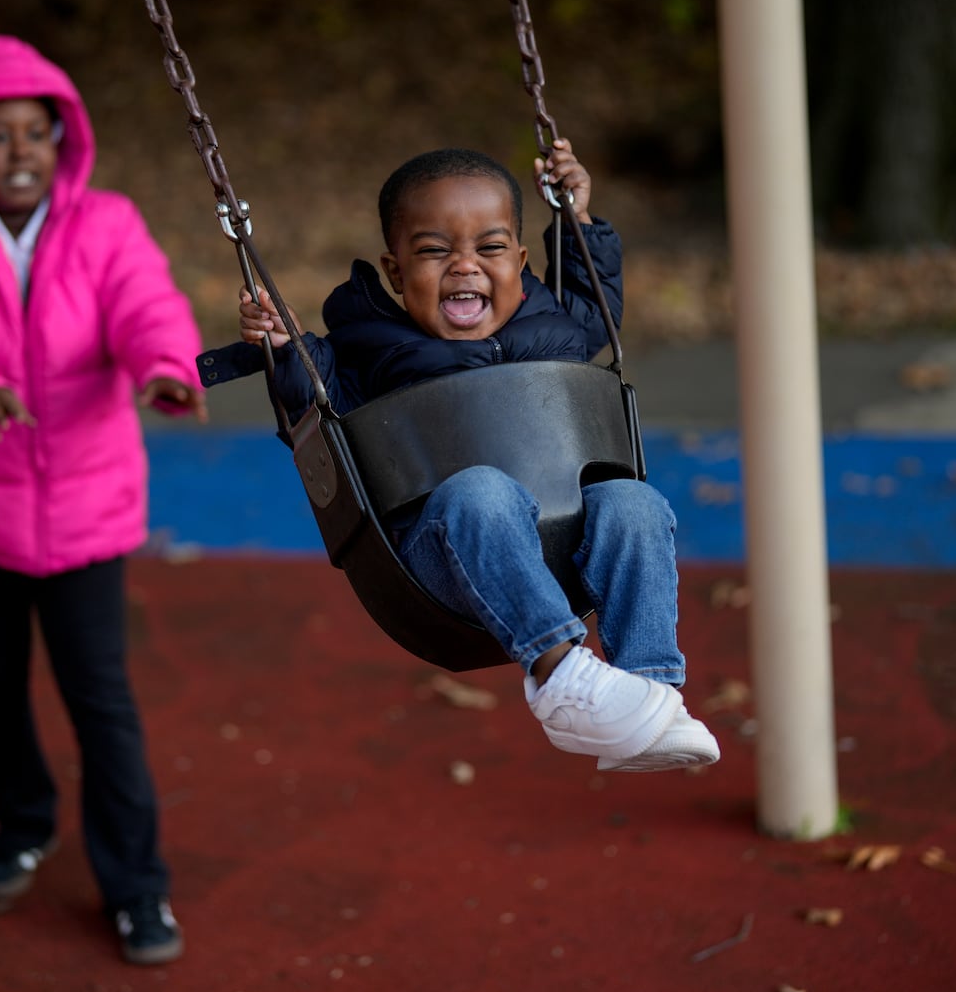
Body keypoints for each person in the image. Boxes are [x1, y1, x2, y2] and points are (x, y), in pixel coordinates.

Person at [208, 142, 719, 773]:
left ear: (522, 260)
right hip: (440, 563)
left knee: (633, 501)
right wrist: (284, 351)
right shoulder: (367, 353)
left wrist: (578, 220)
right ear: (396, 274)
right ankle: (562, 675)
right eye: (434, 251)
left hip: (563, 543)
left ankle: (650, 698)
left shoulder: (555, 324)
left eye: (491, 247)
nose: (464, 266)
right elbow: (312, 415)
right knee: (480, 491)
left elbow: (596, 301)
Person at [0, 34, 203, 966]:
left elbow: (145, 303)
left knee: (101, 698)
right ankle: (23, 819)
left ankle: (138, 886)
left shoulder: (105, 223)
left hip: (84, 512)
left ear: (64, 141)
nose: (19, 151)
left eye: (36, 132)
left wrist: (164, 366)